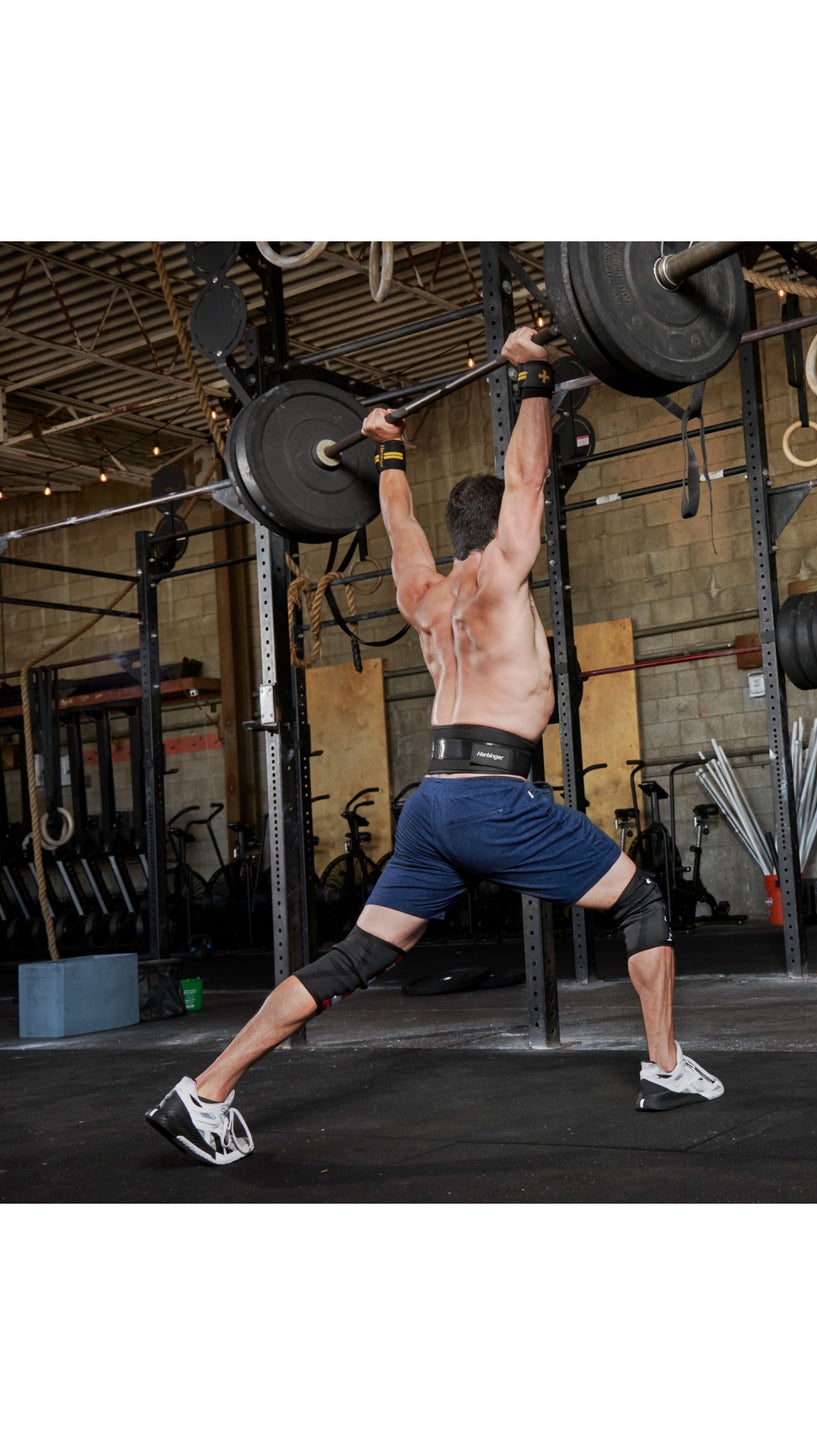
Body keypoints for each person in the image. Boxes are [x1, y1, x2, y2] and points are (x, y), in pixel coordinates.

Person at [146, 326, 722, 1166]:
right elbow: (527, 475)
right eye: (523, 521)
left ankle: (207, 1088)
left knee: (357, 956)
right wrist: (531, 377)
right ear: (505, 533)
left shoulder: (426, 595)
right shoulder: (499, 577)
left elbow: (399, 526)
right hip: (497, 801)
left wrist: (386, 455)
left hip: (435, 806)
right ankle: (667, 1066)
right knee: (641, 904)